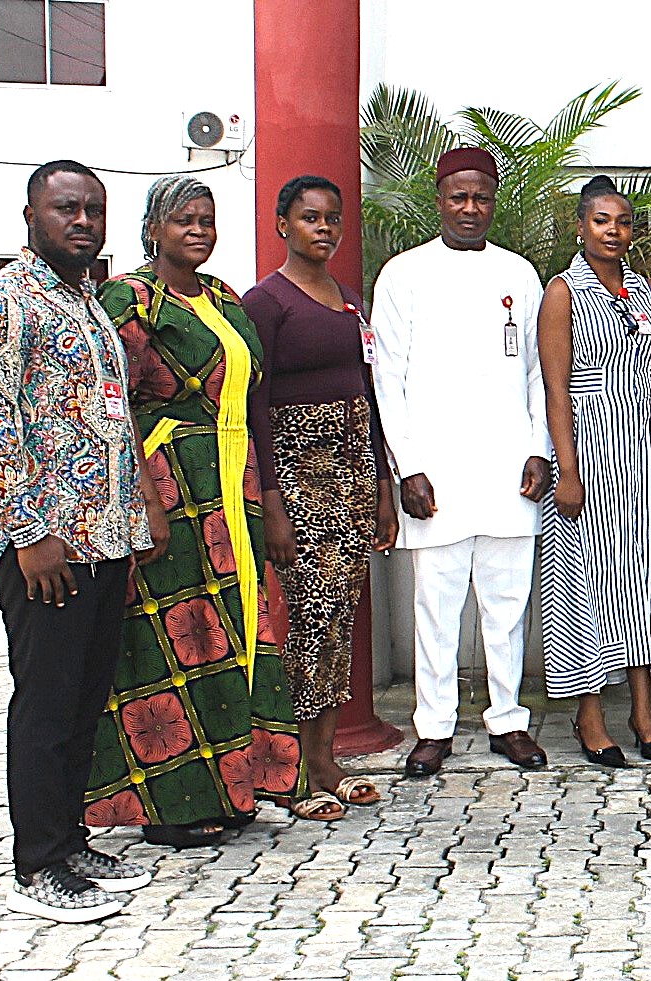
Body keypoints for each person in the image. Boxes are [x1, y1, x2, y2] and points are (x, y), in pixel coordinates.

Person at [82, 175, 327, 847]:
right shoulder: (129, 299)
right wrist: (145, 503)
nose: (197, 231)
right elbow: (114, 405)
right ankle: (170, 806)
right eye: (183, 220)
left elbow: (251, 399)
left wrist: (267, 497)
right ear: (153, 228)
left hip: (232, 486)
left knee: (236, 633)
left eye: (206, 220)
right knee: (175, 639)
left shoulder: (222, 297)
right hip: (170, 484)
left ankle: (236, 786)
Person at [0, 160, 164, 922]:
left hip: (103, 540)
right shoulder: (0, 305)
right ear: (31, 217)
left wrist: (137, 513)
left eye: (93, 210)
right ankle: (37, 863)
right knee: (45, 705)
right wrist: (30, 534)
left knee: (83, 700)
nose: (82, 221)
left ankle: (71, 840)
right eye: (66, 208)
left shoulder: (87, 302)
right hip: (45, 549)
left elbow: (111, 417)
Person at [371, 147, 552, 777]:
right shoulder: (403, 274)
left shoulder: (518, 273)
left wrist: (538, 448)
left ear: (493, 202)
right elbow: (387, 378)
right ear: (440, 200)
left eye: (481, 197)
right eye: (459, 197)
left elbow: (536, 371)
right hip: (436, 472)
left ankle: (508, 720)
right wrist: (407, 467)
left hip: (508, 466)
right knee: (436, 609)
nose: (470, 208)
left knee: (507, 606)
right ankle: (435, 727)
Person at [240, 175, 395, 807]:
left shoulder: (349, 300)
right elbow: (254, 406)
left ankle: (325, 760)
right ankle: (295, 770)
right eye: (310, 217)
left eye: (332, 218)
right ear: (283, 224)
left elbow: (369, 394)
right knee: (306, 623)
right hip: (299, 483)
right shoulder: (265, 302)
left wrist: (382, 487)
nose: (324, 228)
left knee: (336, 624)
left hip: (353, 480)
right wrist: (272, 502)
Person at [538, 176, 651, 766]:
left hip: (649, 446)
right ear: (581, 227)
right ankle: (589, 716)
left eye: (624, 222)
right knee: (587, 587)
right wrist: (567, 470)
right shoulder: (563, 292)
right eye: (602, 220)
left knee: (649, 584)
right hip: (590, 441)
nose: (614, 231)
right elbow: (555, 388)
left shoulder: (645, 289)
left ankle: (644, 712)